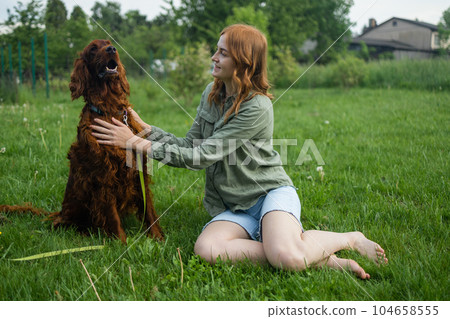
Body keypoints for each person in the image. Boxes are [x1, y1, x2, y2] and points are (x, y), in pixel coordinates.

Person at [91, 24, 387, 279]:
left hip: (269, 195)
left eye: (223, 52)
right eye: (216, 50)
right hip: (233, 207)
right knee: (206, 249)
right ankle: (313, 257)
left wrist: (135, 144)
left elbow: (201, 157)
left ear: (244, 61)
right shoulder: (211, 93)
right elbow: (190, 145)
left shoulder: (257, 106)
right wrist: (146, 131)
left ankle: (348, 239)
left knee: (289, 259)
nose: (213, 56)